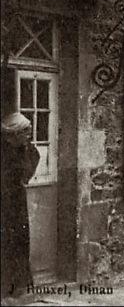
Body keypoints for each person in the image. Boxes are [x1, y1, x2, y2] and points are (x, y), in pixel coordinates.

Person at [1, 112, 41, 300]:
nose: (29, 136)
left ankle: (19, 286)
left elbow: (30, 165)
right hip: (4, 202)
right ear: (13, 134)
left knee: (19, 241)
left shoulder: (26, 149)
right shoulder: (4, 151)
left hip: (16, 201)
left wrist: (25, 149)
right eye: (25, 133)